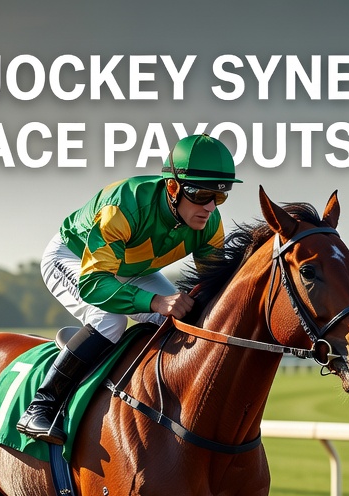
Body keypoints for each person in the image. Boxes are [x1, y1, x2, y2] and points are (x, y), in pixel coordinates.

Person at [16, 133, 241, 445]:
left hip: (134, 268)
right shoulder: (124, 205)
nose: (209, 207)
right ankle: (41, 406)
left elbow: (215, 292)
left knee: (182, 322)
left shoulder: (209, 224)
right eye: (200, 194)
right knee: (110, 321)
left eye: (219, 196)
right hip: (76, 258)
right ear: (172, 187)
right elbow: (94, 283)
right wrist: (155, 301)